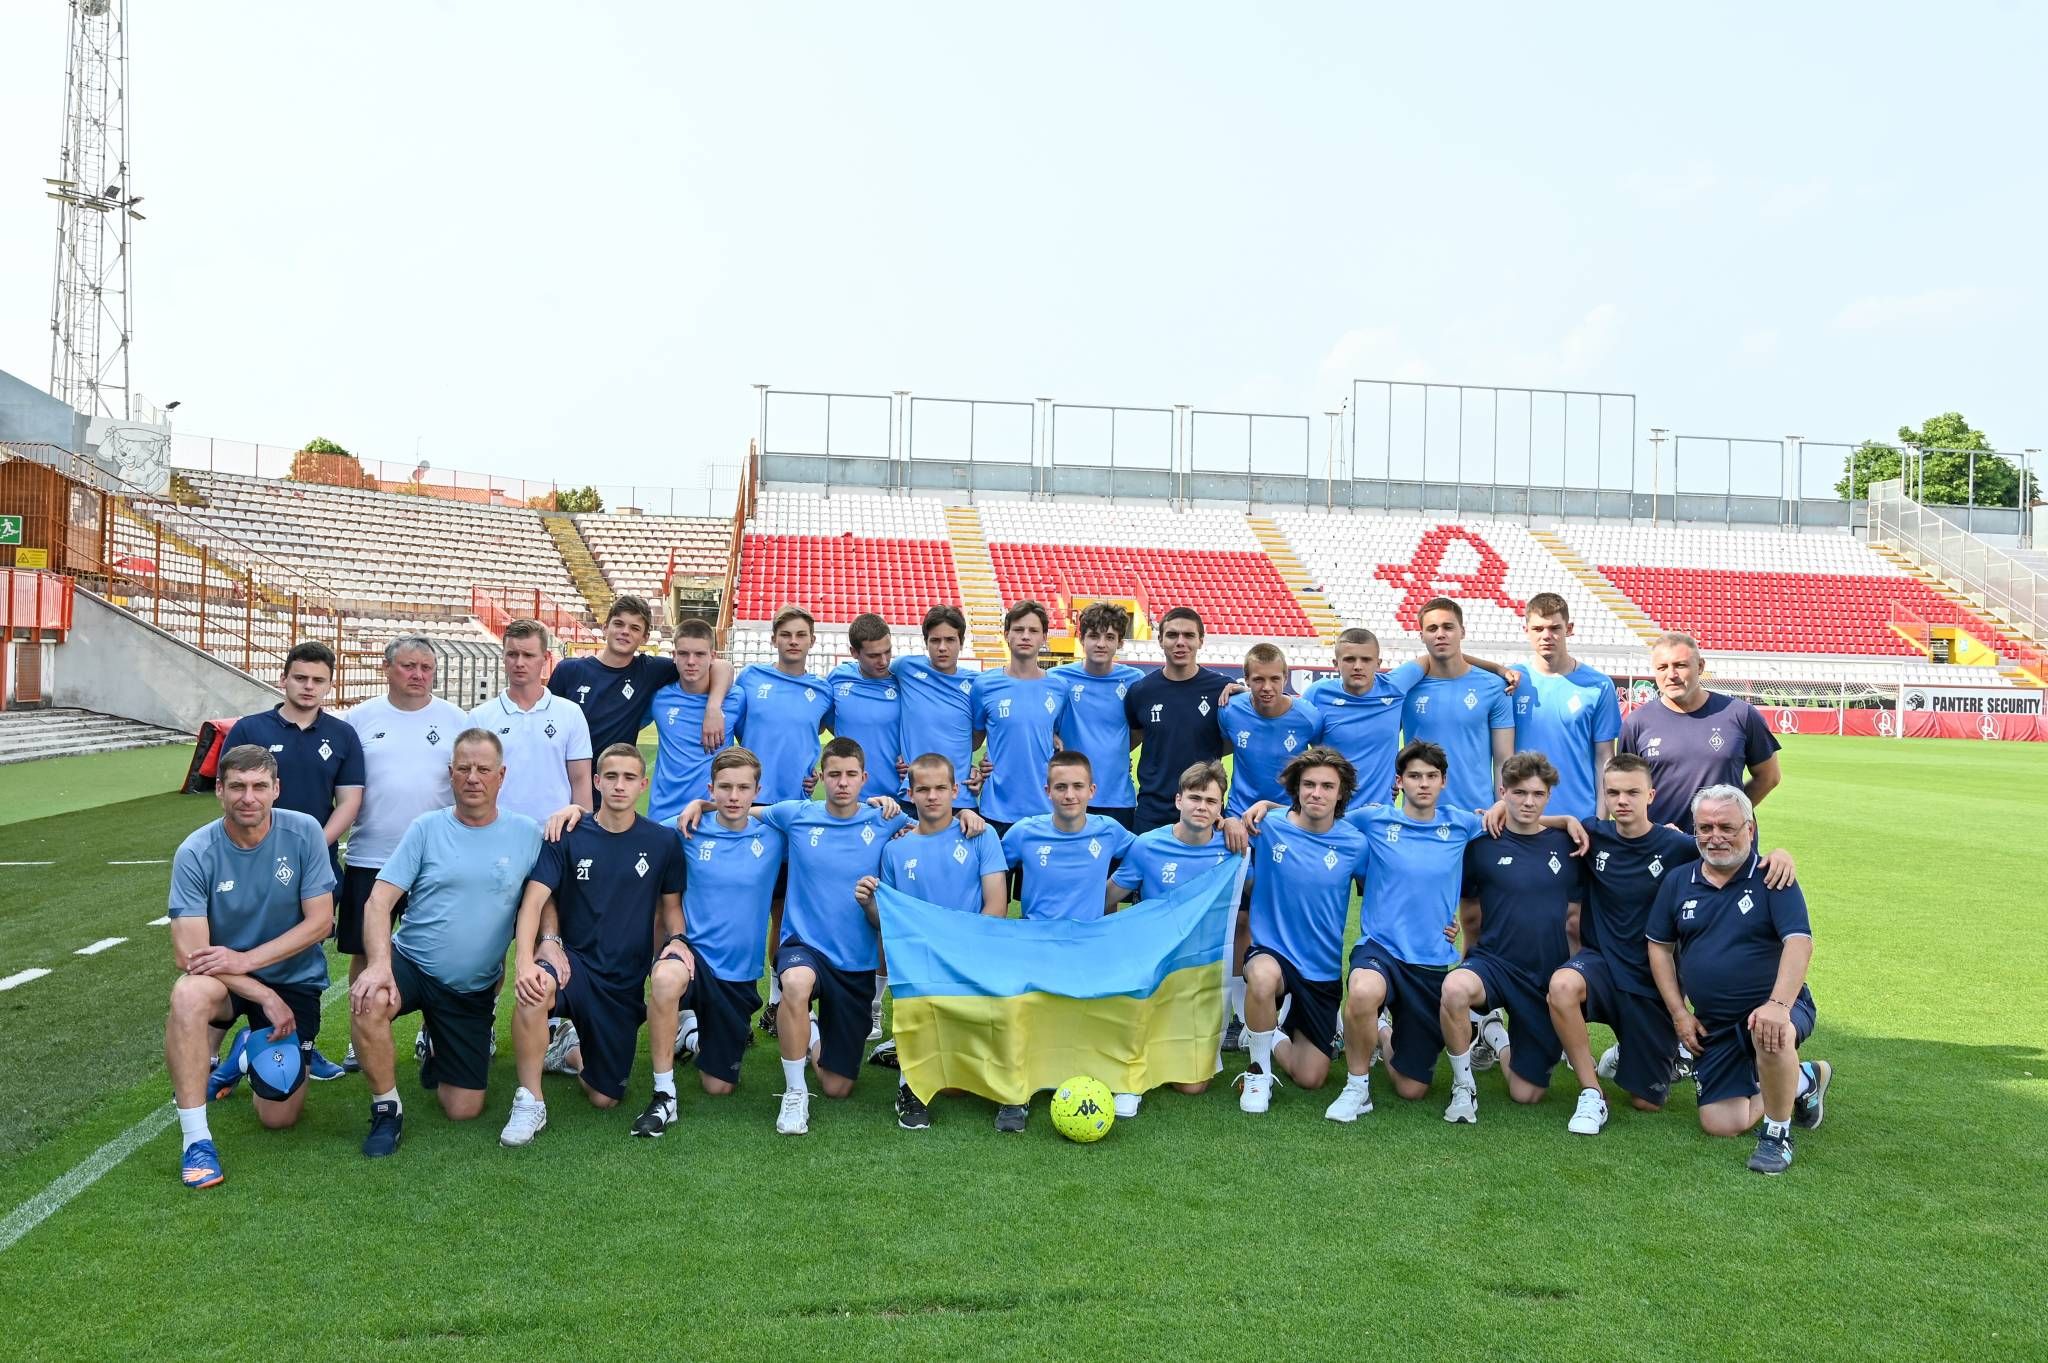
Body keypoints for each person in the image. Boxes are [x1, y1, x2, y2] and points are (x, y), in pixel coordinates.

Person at [676, 739, 942, 1135]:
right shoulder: (796, 814)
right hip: (804, 947)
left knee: (838, 1087)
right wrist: (701, 804)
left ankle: (810, 1033)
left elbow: (929, 823)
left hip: (855, 960)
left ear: (864, 778)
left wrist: (971, 820)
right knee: (795, 984)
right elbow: (740, 805)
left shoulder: (883, 818)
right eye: (834, 774)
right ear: (820, 778)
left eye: (851, 775)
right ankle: (794, 1093)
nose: (842, 783)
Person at [1548, 754, 1799, 1135]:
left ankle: (1793, 1080)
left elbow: (1732, 849)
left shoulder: (1679, 846)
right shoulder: (1591, 834)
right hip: (1601, 965)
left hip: (1651, 983)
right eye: (1613, 792)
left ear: (1651, 794)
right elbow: (1532, 823)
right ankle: (1591, 1092)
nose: (1622, 801)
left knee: (1648, 1102)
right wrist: (1561, 818)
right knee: (1562, 985)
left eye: (1632, 792)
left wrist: (1780, 855)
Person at [346, 729, 543, 1157]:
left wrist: (549, 945)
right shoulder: (426, 828)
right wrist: (379, 965)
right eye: (464, 768)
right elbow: (379, 902)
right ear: (451, 774)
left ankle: (438, 1043)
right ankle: (386, 1109)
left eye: (483, 769)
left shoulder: (527, 834)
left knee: (463, 1108)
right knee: (369, 997)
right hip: (413, 964)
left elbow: (546, 897)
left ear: (501, 775)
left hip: (470, 988)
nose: (473, 777)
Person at [164, 746, 336, 1190]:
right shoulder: (195, 851)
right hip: (225, 981)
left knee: (279, 1116)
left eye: (260, 786)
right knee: (186, 992)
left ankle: (241, 1054)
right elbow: (189, 955)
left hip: (291, 976)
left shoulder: (304, 833)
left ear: (276, 789)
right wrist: (260, 991)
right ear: (219, 790)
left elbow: (321, 922)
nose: (249, 797)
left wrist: (250, 961)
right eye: (237, 786)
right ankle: (196, 1142)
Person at [501, 744, 686, 1146]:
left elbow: (670, 910)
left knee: (605, 1098)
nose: (619, 786)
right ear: (597, 781)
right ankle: (530, 1100)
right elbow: (533, 901)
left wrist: (678, 942)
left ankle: (567, 1050)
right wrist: (525, 962)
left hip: (623, 982)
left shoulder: (663, 842)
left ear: (643, 784)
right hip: (574, 965)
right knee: (535, 992)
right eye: (611, 777)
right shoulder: (565, 833)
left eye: (629, 778)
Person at [1647, 785, 1831, 1175]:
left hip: (1781, 1006)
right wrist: (1680, 1014)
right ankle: (1802, 1078)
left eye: (1727, 827)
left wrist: (1778, 1005)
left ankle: (1777, 1134)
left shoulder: (1772, 876)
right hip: (1716, 1023)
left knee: (1769, 1031)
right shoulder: (1679, 881)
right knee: (1721, 1123)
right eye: (1705, 827)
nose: (1716, 837)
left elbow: (1799, 943)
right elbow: (1660, 948)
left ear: (1750, 827)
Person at [214, 641, 362, 1084]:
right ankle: (219, 1047)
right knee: (239, 940)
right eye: (301, 677)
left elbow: (349, 801)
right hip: (251, 864)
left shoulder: (341, 735)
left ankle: (304, 1044)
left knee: (306, 948)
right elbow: (233, 795)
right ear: (284, 679)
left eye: (318, 680)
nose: (309, 686)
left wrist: (311, 846)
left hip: (313, 865)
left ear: (330, 686)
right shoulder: (249, 729)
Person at [337, 637, 470, 1072]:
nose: (418, 675)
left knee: (439, 947)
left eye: (426, 668)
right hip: (371, 854)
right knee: (364, 949)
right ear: (387, 668)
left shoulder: (455, 720)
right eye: (409, 666)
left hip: (435, 858)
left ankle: (433, 1029)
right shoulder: (358, 720)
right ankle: (361, 1037)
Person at [1436, 752, 1582, 1123]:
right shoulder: (1482, 844)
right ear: (1503, 792)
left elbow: (1576, 919)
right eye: (1518, 793)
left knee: (1526, 1094)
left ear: (1549, 795)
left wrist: (1566, 819)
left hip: (1545, 974)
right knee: (1454, 988)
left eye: (1537, 793)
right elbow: (1469, 915)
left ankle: (1495, 1035)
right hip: (1494, 964)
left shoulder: (1569, 843)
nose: (1528, 802)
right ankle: (1463, 1086)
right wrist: (1467, 964)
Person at [996, 751, 1137, 1126]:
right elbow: (988, 862)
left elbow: (1149, 853)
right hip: (1036, 945)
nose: (1069, 795)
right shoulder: (1024, 833)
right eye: (1061, 787)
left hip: (1090, 946)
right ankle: (1015, 1095)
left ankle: (1111, 1078)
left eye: (1077, 786)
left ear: (1092, 790)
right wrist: (968, 818)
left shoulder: (1109, 830)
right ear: (1047, 791)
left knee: (1106, 1010)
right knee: (1022, 1014)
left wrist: (1111, 894)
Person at [872, 752, 1009, 1129]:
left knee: (962, 1080)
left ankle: (1011, 1093)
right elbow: (891, 919)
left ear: (955, 790)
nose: (932, 796)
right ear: (910, 793)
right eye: (923, 790)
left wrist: (958, 949)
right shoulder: (895, 849)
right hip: (921, 960)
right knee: (946, 1080)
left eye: (940, 789)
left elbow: (996, 906)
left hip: (973, 952)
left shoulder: (980, 834)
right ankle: (910, 1088)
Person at [1232, 747, 1369, 1117]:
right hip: (1272, 953)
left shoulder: (1356, 844)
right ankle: (1258, 1072)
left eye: (1327, 786)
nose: (1316, 793)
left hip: (1320, 970)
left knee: (1311, 1078)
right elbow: (1230, 829)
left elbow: (1380, 895)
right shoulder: (1269, 827)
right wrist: (1237, 819)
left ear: (1341, 793)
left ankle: (1268, 1032)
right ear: (1296, 789)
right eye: (1308, 784)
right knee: (1260, 977)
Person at [650, 749, 785, 1122]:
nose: (734, 796)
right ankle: (664, 1090)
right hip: (691, 957)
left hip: (737, 974)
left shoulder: (774, 834)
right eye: (724, 787)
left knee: (718, 1086)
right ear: (711, 789)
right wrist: (575, 813)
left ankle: (691, 1037)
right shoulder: (686, 827)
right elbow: (627, 825)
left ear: (758, 790)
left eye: (744, 787)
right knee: (665, 979)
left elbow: (828, 818)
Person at [733, 605, 835, 1035]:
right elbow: (726, 732)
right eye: (786, 634)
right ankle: (729, 997)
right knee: (742, 909)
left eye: (801, 635)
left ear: (812, 642)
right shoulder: (752, 679)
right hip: (750, 814)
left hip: (795, 817)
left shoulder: (822, 691)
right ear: (774, 639)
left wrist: (816, 769)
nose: (794, 641)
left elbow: (839, 738)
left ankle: (778, 1002)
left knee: (787, 912)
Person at [1216, 642, 1321, 1047]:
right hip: (1241, 828)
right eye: (1256, 679)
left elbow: (1325, 767)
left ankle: (1299, 1005)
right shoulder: (1231, 710)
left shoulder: (1308, 717)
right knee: (1241, 921)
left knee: (1289, 915)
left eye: (1274, 678)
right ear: (1245, 680)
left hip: (1289, 828)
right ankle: (1239, 1017)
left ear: (1287, 678)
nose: (1265, 687)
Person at [1619, 632, 1782, 832]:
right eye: (1662, 667)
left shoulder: (1741, 714)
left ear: (1701, 667)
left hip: (1725, 846)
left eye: (1680, 665)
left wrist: (1731, 816)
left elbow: (1769, 776)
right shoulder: (1636, 723)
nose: (1671, 674)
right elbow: (1624, 789)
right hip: (1663, 849)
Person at [549, 593, 732, 759]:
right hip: (565, 777)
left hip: (613, 783)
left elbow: (722, 667)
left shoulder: (649, 671)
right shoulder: (569, 671)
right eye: (619, 624)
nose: (625, 632)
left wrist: (713, 708)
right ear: (605, 628)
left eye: (635, 628)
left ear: (645, 638)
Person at [1503, 594, 1622, 822]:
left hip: (1579, 818)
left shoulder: (1598, 685)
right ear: (1526, 630)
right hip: (1521, 817)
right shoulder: (1511, 681)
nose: (1546, 636)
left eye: (1554, 628)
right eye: (1538, 629)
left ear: (1569, 628)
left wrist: (1599, 819)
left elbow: (1604, 757)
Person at [469, 618, 593, 825]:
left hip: (555, 835)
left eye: (528, 655)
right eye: (512, 654)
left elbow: (580, 780)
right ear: (503, 657)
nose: (519, 663)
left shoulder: (570, 713)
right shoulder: (480, 716)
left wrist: (584, 834)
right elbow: (469, 784)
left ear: (544, 658)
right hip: (497, 833)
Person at [1402, 598, 1515, 814]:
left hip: (1478, 815)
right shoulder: (1406, 687)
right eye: (1432, 628)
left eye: (1448, 627)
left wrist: (1502, 805)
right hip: (1420, 816)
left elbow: (1504, 759)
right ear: (1422, 636)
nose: (1440, 634)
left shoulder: (1494, 687)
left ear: (1462, 631)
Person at [1124, 606, 1232, 834]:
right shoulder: (1141, 691)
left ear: (1201, 641)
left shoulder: (1222, 689)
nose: (1180, 642)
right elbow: (1133, 738)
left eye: (1189, 635)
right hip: (1152, 811)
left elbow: (1240, 738)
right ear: (1160, 640)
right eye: (1172, 635)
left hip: (1202, 809)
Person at [971, 601, 1067, 836]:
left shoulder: (1059, 687)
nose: (1026, 636)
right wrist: (974, 768)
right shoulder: (984, 685)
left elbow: (1057, 735)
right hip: (996, 809)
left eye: (1033, 631)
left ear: (1044, 638)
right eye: (1018, 630)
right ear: (1006, 635)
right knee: (995, 874)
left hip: (1043, 810)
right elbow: (973, 739)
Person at [1050, 602, 1144, 828]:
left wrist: (1117, 751)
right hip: (1069, 796)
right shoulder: (1057, 678)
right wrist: (1049, 735)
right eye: (1094, 636)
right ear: (1081, 639)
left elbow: (1139, 730)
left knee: (1116, 864)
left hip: (1118, 798)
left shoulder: (1135, 680)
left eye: (1110, 637)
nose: (1101, 644)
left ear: (1120, 642)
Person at [646, 618, 741, 825]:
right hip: (664, 815)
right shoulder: (658, 699)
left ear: (712, 657)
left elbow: (755, 744)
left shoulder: (735, 698)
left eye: (699, 654)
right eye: (683, 653)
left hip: (713, 815)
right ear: (674, 656)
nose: (691, 661)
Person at [1105, 761, 1237, 908]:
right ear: (1178, 801)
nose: (1202, 807)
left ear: (1220, 807)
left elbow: (1262, 895)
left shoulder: (1233, 847)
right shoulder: (1147, 846)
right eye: (1195, 798)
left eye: (1211, 801)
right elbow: (1103, 900)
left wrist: (1266, 805)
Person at [890, 606, 981, 810]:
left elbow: (977, 739)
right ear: (926, 642)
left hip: (960, 797)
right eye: (935, 640)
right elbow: (871, 672)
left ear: (962, 643)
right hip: (914, 795)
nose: (942, 647)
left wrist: (975, 768)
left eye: (950, 640)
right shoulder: (905, 668)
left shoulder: (977, 684)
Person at [828, 614, 906, 801]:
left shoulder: (904, 681)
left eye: (888, 651)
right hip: (848, 798)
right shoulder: (837, 678)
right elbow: (825, 721)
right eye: (873, 655)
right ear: (854, 652)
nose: (884, 661)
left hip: (897, 797)